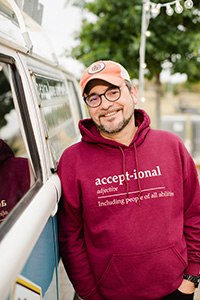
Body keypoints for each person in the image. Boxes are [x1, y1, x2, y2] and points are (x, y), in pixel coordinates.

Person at [58, 60, 200, 300]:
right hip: (108, 295)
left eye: (113, 92)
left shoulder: (171, 146)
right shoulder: (73, 160)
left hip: (175, 290)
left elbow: (194, 213)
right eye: (94, 98)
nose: (106, 104)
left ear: (133, 93)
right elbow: (71, 237)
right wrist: (90, 295)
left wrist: (192, 277)